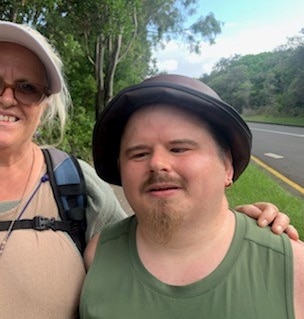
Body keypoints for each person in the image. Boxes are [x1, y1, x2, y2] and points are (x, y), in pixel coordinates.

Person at [0, 21, 295, 319]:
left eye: (27, 87)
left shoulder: (74, 181)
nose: (8, 97)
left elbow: (156, 241)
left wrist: (235, 223)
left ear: (43, 103)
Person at [80, 74, 304, 319]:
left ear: (227, 165)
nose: (157, 163)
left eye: (179, 149)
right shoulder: (98, 255)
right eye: (139, 154)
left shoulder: (293, 267)